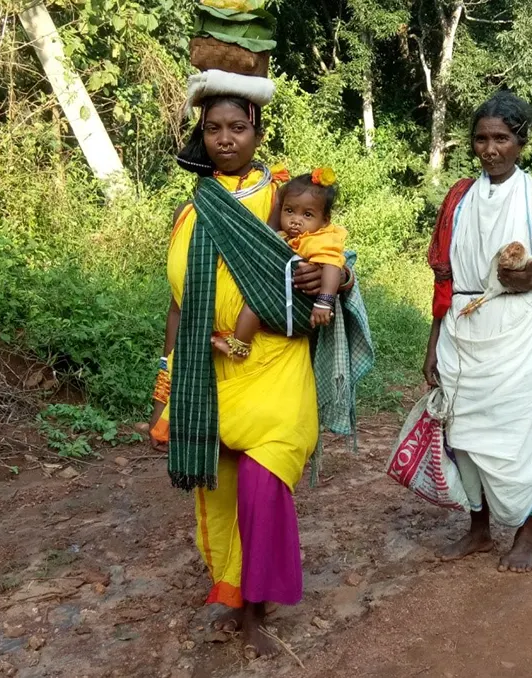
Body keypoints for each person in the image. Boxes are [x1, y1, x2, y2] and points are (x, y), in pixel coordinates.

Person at [143, 94, 356, 656]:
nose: (226, 138)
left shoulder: (279, 198)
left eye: (239, 127)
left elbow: (326, 251)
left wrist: (335, 283)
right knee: (219, 492)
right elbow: (177, 303)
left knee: (262, 489)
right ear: (202, 137)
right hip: (208, 364)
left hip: (274, 365)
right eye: (213, 128)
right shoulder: (192, 209)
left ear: (258, 135)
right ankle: (231, 587)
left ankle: (257, 610)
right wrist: (169, 373)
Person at [423, 90, 532, 573]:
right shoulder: (460, 198)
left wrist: (530, 281)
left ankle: (526, 534)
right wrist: (432, 345)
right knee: (465, 434)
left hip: (516, 329)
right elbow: (445, 278)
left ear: (520, 142)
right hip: (462, 326)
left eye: (502, 139)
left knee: (518, 435)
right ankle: (479, 530)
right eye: (481, 139)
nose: (490, 149)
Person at [213, 169, 348, 360]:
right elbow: (267, 236)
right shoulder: (287, 237)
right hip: (285, 298)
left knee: (255, 304)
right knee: (254, 305)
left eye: (307, 215)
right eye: (289, 211)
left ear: (325, 220)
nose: (295, 220)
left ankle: (239, 348)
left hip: (301, 305)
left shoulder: (318, 239)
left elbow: (333, 265)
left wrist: (324, 302)